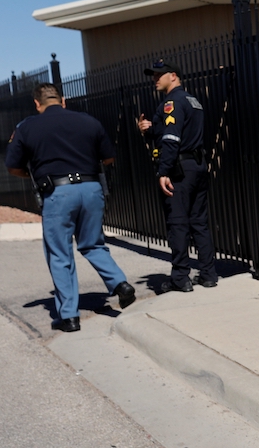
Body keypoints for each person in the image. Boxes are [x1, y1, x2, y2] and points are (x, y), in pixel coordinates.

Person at [5, 83, 136, 332]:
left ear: (37, 103)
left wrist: (37, 178)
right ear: (63, 100)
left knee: (60, 254)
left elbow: (13, 167)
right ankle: (120, 284)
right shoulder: (88, 121)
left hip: (57, 192)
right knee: (93, 244)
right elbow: (108, 158)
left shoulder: (27, 127)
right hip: (91, 189)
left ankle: (70, 317)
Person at [137, 60, 218, 293]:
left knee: (178, 223)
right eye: (153, 75)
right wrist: (151, 129)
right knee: (199, 222)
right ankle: (209, 274)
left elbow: (172, 139)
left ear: (173, 75)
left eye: (159, 75)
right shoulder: (193, 100)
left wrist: (164, 171)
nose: (155, 79)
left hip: (179, 169)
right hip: (198, 165)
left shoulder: (171, 103)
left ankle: (180, 278)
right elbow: (177, 130)